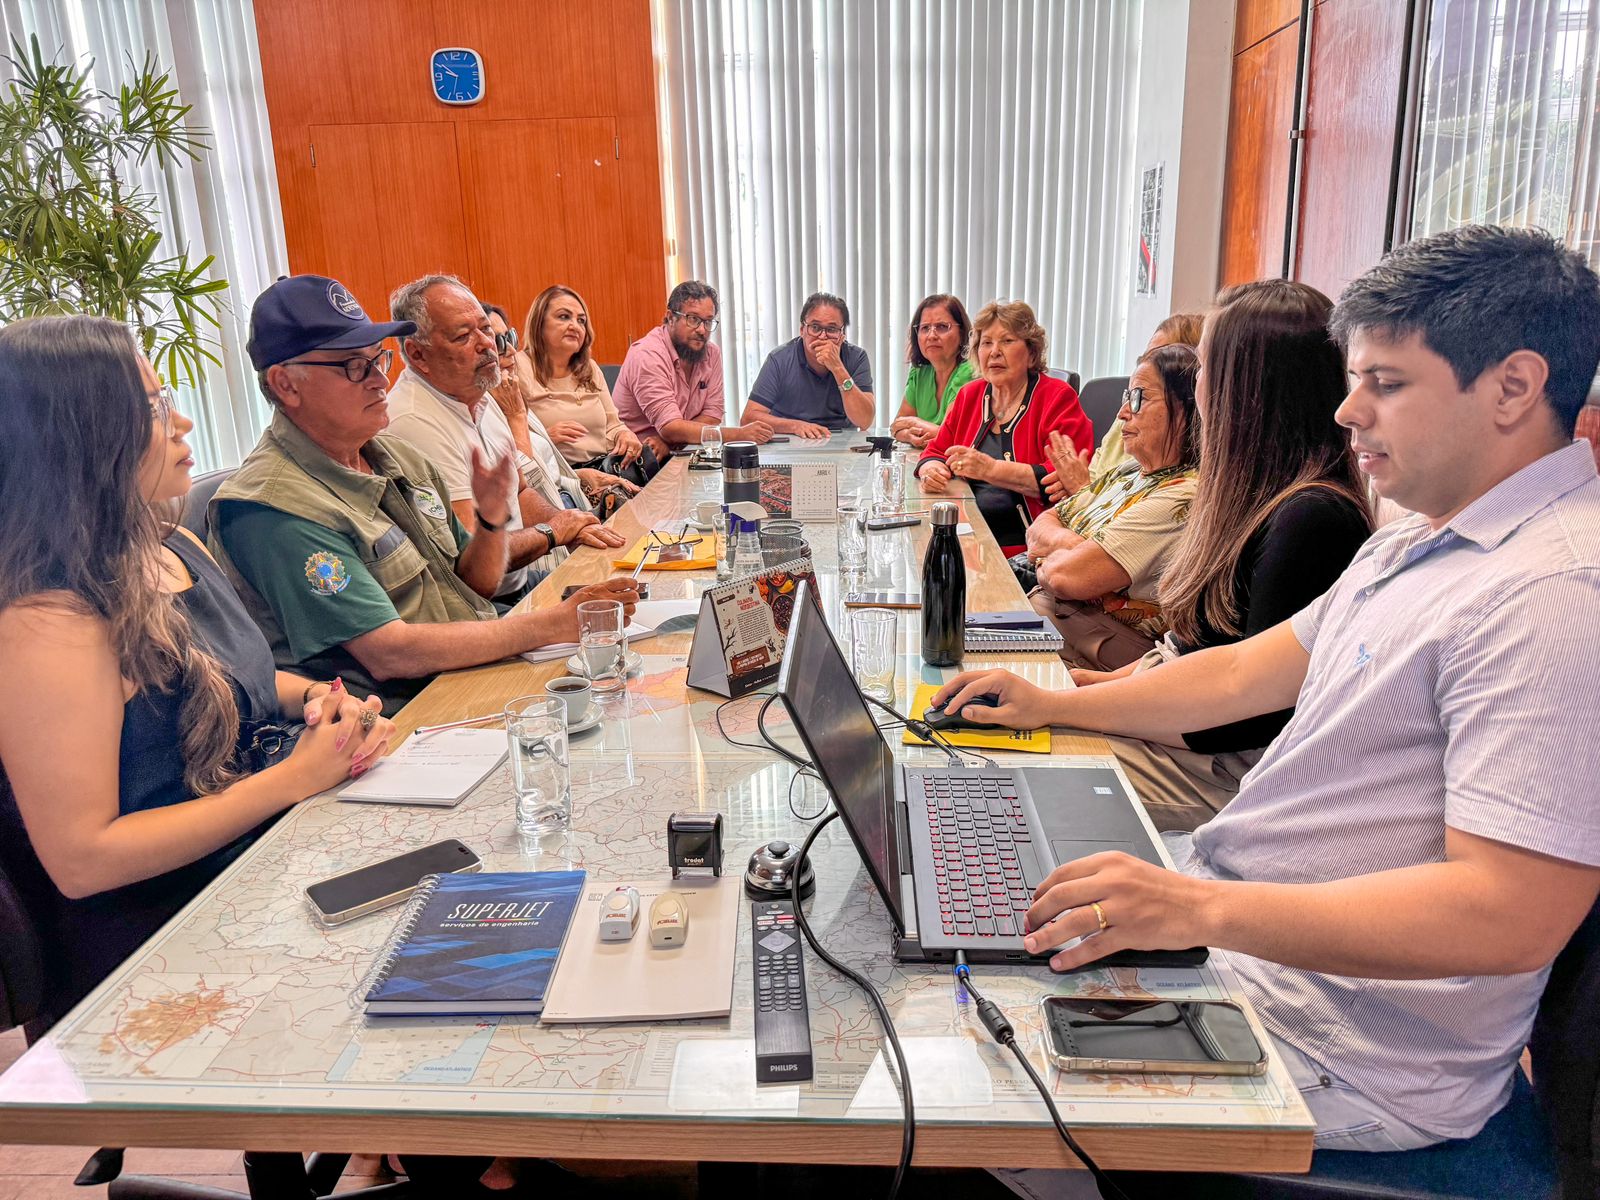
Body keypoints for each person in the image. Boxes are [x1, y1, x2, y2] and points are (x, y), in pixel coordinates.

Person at [937, 226, 1600, 1172]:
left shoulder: (1555, 595)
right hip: (1254, 932)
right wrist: (1054, 706)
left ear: (1514, 386)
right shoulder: (1421, 534)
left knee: (953, 1062)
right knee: (969, 899)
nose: (1347, 409)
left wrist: (1194, 912)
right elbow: (1252, 670)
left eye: (1387, 382)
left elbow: (1509, 912)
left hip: (1340, 1045)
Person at [0, 315, 397, 1030]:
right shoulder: (46, 622)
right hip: (160, 936)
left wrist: (325, 700)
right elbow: (82, 859)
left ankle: (382, 1141)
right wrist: (294, 779)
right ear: (83, 435)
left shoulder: (169, 541)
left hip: (258, 859)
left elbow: (239, 674)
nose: (183, 422)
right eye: (153, 410)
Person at [210, 274, 639, 715]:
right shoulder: (274, 506)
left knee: (631, 692)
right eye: (355, 367)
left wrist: (491, 522)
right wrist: (551, 624)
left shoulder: (391, 456)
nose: (379, 381)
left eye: (378, 361)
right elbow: (391, 652)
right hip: (397, 722)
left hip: (470, 671)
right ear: (286, 384)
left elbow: (472, 580)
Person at [382, 275, 627, 601]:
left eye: (486, 329)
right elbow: (472, 564)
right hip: (479, 608)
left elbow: (521, 490)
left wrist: (575, 525)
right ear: (418, 355)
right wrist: (554, 531)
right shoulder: (415, 421)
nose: (486, 344)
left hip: (520, 578)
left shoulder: (479, 392)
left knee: (627, 582)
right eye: (463, 336)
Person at [1023, 344, 1201, 671]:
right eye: (1125, 398)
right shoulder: (1129, 471)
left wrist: (1060, 556)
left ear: (1188, 406)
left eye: (1139, 398)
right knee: (946, 634)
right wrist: (1076, 546)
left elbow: (1065, 576)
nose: (1122, 413)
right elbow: (1041, 525)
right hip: (1056, 616)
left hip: (1099, 644)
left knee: (961, 659)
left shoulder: (1185, 493)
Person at [916, 300, 1092, 554]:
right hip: (968, 536)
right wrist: (931, 470)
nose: (994, 352)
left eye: (1007, 341)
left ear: (1032, 353)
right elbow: (935, 451)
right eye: (986, 343)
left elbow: (1062, 481)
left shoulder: (1056, 397)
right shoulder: (970, 395)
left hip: (1029, 547)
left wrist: (989, 469)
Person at [484, 300, 639, 514]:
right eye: (564, 317)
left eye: (510, 338)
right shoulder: (509, 388)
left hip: (583, 480)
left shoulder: (588, 368)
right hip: (551, 516)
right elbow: (523, 490)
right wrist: (518, 416)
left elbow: (548, 478)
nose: (510, 350)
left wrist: (582, 477)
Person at [1044, 310, 1206, 499]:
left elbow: (1115, 510)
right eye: (1147, 357)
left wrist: (1080, 491)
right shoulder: (1128, 414)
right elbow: (1094, 475)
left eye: (1163, 358)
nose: (1124, 412)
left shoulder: (1179, 479)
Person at [613, 280, 770, 459]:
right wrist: (739, 435)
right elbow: (671, 428)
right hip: (637, 460)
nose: (702, 330)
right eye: (693, 319)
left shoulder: (711, 353)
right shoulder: (647, 355)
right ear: (671, 317)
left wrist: (669, 440)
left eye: (708, 321)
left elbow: (712, 416)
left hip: (681, 453)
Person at [507, 287, 645, 476]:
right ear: (539, 323)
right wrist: (545, 439)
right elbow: (507, 442)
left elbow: (614, 424)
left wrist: (625, 434)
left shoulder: (589, 368)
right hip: (556, 477)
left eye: (581, 320)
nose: (575, 326)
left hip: (604, 468)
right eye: (564, 317)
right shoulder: (517, 367)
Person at [742, 291, 875, 436]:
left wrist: (838, 368)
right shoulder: (779, 359)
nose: (823, 337)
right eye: (815, 328)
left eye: (831, 329)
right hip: (790, 441)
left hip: (842, 440)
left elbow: (865, 421)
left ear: (842, 334)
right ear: (802, 330)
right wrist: (794, 426)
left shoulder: (856, 357)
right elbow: (748, 419)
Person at [888, 293, 976, 448]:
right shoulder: (920, 373)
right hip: (927, 460)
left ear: (962, 333)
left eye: (942, 327)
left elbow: (951, 435)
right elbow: (896, 427)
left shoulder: (969, 372)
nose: (931, 335)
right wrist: (907, 435)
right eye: (925, 328)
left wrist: (912, 423)